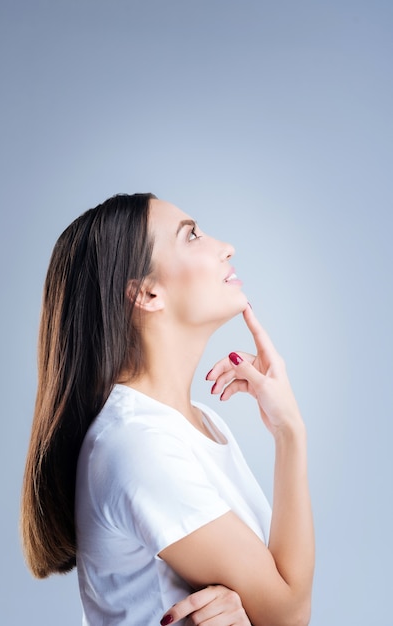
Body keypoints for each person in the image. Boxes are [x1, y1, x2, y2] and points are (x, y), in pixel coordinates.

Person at [21, 193, 314, 626]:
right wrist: (290, 432)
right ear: (147, 292)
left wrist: (251, 609)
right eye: (191, 235)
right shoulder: (138, 445)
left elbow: (275, 601)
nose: (225, 246)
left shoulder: (199, 422)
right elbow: (289, 613)